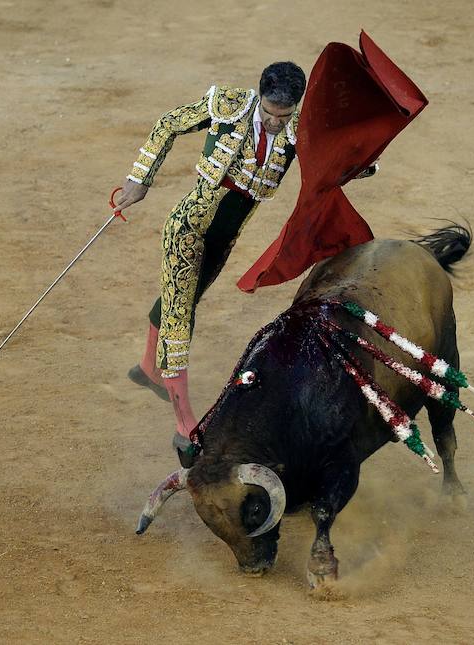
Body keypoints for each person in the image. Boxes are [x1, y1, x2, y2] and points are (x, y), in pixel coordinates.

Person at [112, 62, 307, 451]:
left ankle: (150, 369)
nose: (273, 122)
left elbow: (339, 163)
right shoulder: (228, 104)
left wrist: (363, 157)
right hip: (187, 228)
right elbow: (169, 123)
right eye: (268, 112)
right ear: (260, 97)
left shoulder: (301, 129)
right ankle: (184, 426)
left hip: (223, 238)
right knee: (181, 315)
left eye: (282, 116)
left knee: (182, 296)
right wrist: (140, 178)